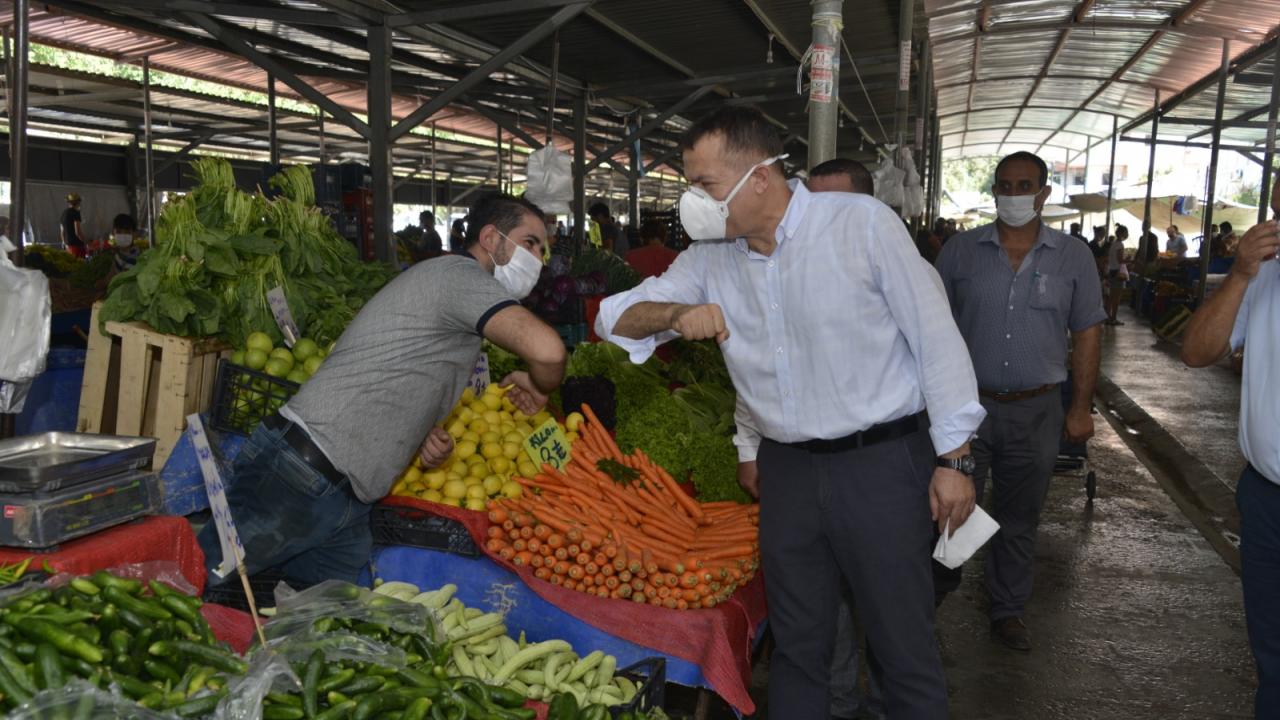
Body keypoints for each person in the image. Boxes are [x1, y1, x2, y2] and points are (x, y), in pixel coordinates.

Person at [596, 106, 984, 719]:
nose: (693, 202)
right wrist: (672, 315)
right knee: (798, 649)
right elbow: (611, 316)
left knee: (900, 646)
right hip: (789, 476)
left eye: (705, 185)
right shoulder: (709, 258)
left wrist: (955, 457)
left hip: (882, 464)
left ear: (760, 177)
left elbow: (936, 339)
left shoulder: (861, 226)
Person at [197, 194, 567, 587]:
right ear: (491, 238)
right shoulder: (462, 278)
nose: (538, 258)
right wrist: (539, 384)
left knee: (326, 621)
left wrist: (416, 433)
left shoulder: (452, 288)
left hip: (344, 494)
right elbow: (548, 351)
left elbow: (399, 364)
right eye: (530, 243)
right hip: (299, 475)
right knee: (196, 586)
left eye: (543, 249)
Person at [935, 151, 1105, 651]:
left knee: (1019, 517)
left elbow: (1088, 332)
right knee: (949, 509)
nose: (1012, 195)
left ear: (1043, 194)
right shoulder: (960, 252)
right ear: (994, 192)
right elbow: (930, 328)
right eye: (1004, 186)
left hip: (1038, 409)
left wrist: (1080, 408)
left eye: (1023, 185)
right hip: (966, 410)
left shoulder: (1073, 256)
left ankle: (1007, 610)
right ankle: (932, 601)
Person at [1180, 180, 1280, 718]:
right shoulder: (1261, 275)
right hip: (1266, 499)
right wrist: (1240, 274)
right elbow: (1196, 352)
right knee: (1272, 657)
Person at [805, 157, 886, 720]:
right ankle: (837, 703)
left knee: (886, 599)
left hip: (883, 464)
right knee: (825, 601)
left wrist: (952, 463)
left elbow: (940, 367)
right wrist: (747, 446)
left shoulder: (898, 270)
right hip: (810, 467)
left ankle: (885, 704)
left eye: (836, 207)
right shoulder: (788, 272)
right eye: (814, 207)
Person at [1105, 224, 1129, 325]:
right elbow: (1120, 260)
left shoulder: (1113, 244)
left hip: (1112, 271)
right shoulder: (1120, 245)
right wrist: (1128, 260)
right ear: (1123, 234)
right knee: (1116, 298)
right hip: (1117, 273)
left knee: (1111, 297)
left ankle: (1107, 317)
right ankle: (1113, 318)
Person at [60, 193, 87, 258]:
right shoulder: (76, 213)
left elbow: (62, 232)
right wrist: (86, 242)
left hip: (68, 247)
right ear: (78, 202)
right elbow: (77, 232)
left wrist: (65, 243)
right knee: (79, 266)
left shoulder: (63, 213)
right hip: (77, 246)